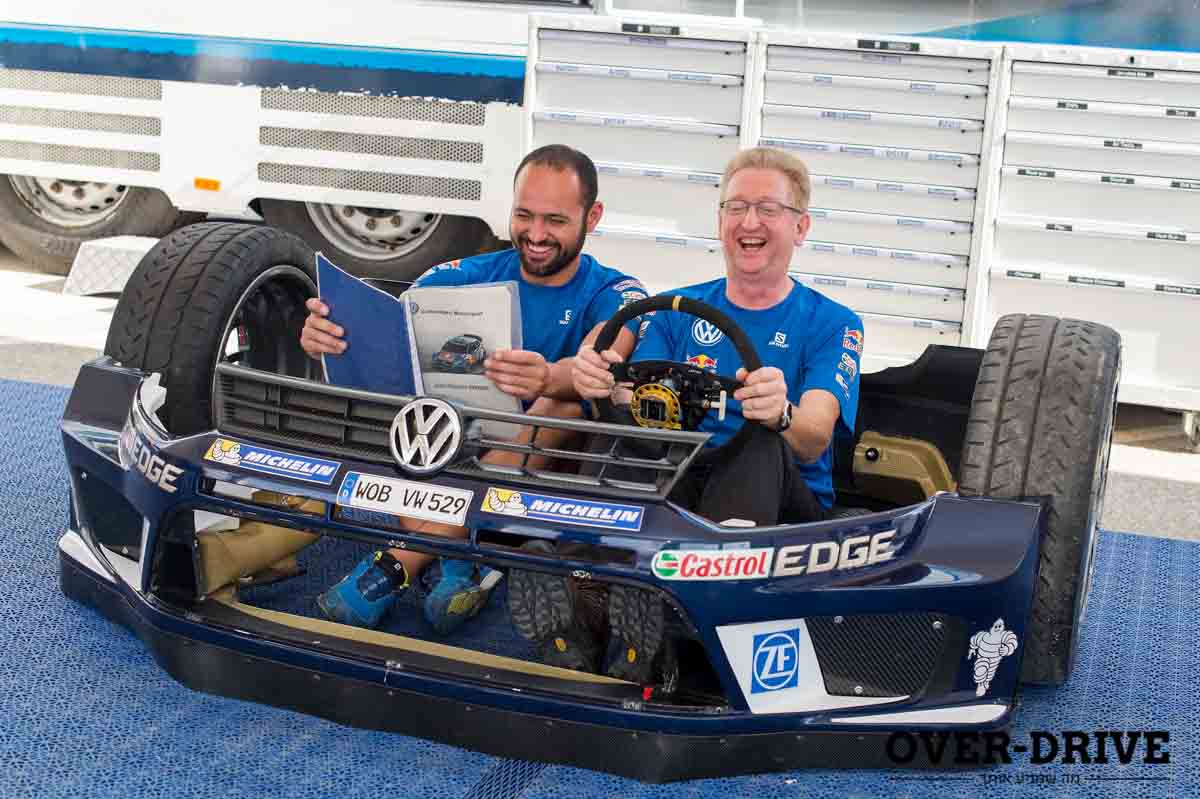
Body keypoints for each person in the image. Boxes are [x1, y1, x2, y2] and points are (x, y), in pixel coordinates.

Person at [515, 146, 865, 683]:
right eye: (736, 207)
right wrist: (598, 382)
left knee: (759, 440)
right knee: (621, 428)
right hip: (681, 479)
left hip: (783, 511)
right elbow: (633, 397)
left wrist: (781, 412)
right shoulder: (674, 308)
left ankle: (691, 619)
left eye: (768, 209)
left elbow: (815, 435)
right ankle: (589, 602)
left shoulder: (833, 323)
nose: (750, 222)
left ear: (801, 227)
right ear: (720, 221)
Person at [299, 144, 647, 634]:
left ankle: (398, 564)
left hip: (545, 482)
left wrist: (549, 377)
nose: (536, 235)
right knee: (417, 412)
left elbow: (602, 357)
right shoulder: (459, 275)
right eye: (523, 215)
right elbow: (390, 337)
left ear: (593, 216)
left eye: (555, 220)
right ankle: (459, 561)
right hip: (451, 455)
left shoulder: (617, 292)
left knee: (564, 404)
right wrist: (330, 338)